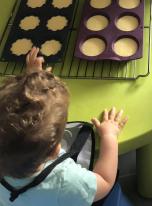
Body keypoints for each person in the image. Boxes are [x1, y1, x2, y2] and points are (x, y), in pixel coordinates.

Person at [0, 47, 128, 206]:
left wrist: (32, 80)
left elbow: (15, 119)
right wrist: (109, 136)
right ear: (56, 150)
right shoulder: (66, 181)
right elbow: (105, 182)